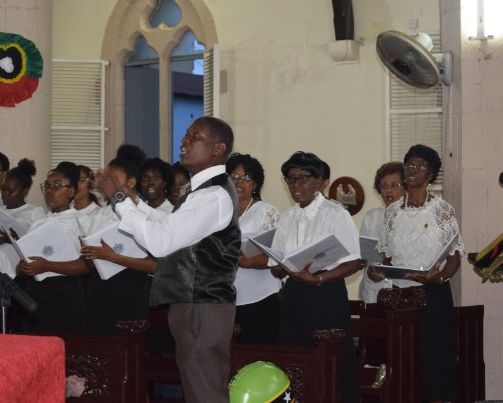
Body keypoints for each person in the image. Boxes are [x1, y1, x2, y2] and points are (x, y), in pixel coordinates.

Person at [99, 117, 240, 403]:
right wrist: (133, 201)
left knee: (205, 393)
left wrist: (118, 199)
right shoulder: (202, 191)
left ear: (218, 149)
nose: (184, 140)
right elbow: (168, 226)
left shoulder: (213, 195)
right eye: (186, 134)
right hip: (194, 304)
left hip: (203, 304)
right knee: (199, 389)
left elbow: (161, 242)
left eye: (194, 136)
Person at [370, 144, 462, 403]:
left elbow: (454, 256)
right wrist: (380, 271)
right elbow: (386, 256)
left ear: (430, 174)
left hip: (433, 293)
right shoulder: (392, 212)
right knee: (404, 359)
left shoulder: (442, 210)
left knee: (434, 359)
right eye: (409, 164)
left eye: (419, 166)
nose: (412, 169)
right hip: (400, 295)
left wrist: (440, 278)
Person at [270, 151, 360, 403]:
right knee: (294, 359)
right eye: (290, 179)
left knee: (330, 362)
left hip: (326, 294)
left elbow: (354, 261)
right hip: (294, 295)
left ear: (318, 181)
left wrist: (318, 279)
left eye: (302, 178)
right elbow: (274, 265)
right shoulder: (287, 217)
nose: (295, 185)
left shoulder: (335, 213)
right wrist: (282, 268)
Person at [82, 155, 155, 335]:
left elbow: (154, 264)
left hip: (130, 289)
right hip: (99, 288)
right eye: (105, 178)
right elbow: (90, 265)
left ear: (131, 182)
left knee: (126, 345)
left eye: (112, 178)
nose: (106, 182)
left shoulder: (143, 214)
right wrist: (88, 252)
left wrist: (113, 257)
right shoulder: (100, 214)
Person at [16, 162, 88, 334]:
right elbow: (20, 269)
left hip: (64, 293)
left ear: (71, 192)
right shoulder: (38, 223)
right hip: (35, 293)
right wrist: (24, 267)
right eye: (47, 186)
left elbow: (87, 265)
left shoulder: (81, 221)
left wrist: (48, 266)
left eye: (56, 186)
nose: (49, 191)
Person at [225, 152, 281, 345]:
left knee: (259, 353)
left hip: (261, 298)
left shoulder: (266, 212)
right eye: (234, 176)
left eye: (246, 177)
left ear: (255, 184)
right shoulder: (219, 212)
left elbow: (278, 256)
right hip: (225, 298)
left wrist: (248, 262)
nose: (239, 181)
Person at [358, 162, 406, 303]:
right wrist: (370, 269)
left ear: (406, 187)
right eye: (384, 186)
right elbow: (364, 257)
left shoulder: (415, 218)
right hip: (374, 292)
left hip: (404, 293)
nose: (388, 191)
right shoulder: (372, 217)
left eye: (394, 185)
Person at [0, 158, 45, 234]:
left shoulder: (34, 213)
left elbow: (41, 239)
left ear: (25, 191)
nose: (4, 194)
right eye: (3, 189)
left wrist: (15, 239)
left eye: (10, 191)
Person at [72, 165, 101, 236]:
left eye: (81, 180)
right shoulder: (66, 212)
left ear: (90, 183)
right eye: (73, 180)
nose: (76, 185)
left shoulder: (99, 214)